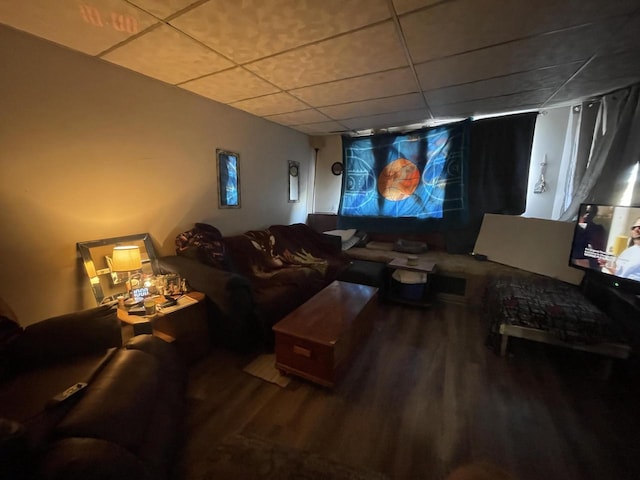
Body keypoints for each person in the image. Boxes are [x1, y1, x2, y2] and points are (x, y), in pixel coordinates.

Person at [571, 204, 607, 269]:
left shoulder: (598, 229)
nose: (587, 216)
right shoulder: (572, 226)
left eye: (589, 213)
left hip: (590, 266)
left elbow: (599, 252)